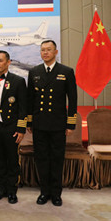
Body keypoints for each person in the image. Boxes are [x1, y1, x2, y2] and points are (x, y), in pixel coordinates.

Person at [27, 40, 77, 207]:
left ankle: (56, 193)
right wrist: (29, 122)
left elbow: (73, 99)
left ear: (56, 52)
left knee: (56, 159)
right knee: (41, 158)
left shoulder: (66, 71)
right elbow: (30, 100)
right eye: (43, 50)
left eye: (49, 50)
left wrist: (70, 124)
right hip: (40, 124)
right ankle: (44, 192)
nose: (45, 53)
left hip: (57, 124)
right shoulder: (34, 72)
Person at [0, 51, 27, 204]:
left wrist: (21, 129)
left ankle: (12, 190)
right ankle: (1, 188)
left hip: (11, 127)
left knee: (12, 160)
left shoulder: (18, 81)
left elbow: (23, 107)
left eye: (0, 61)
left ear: (8, 62)